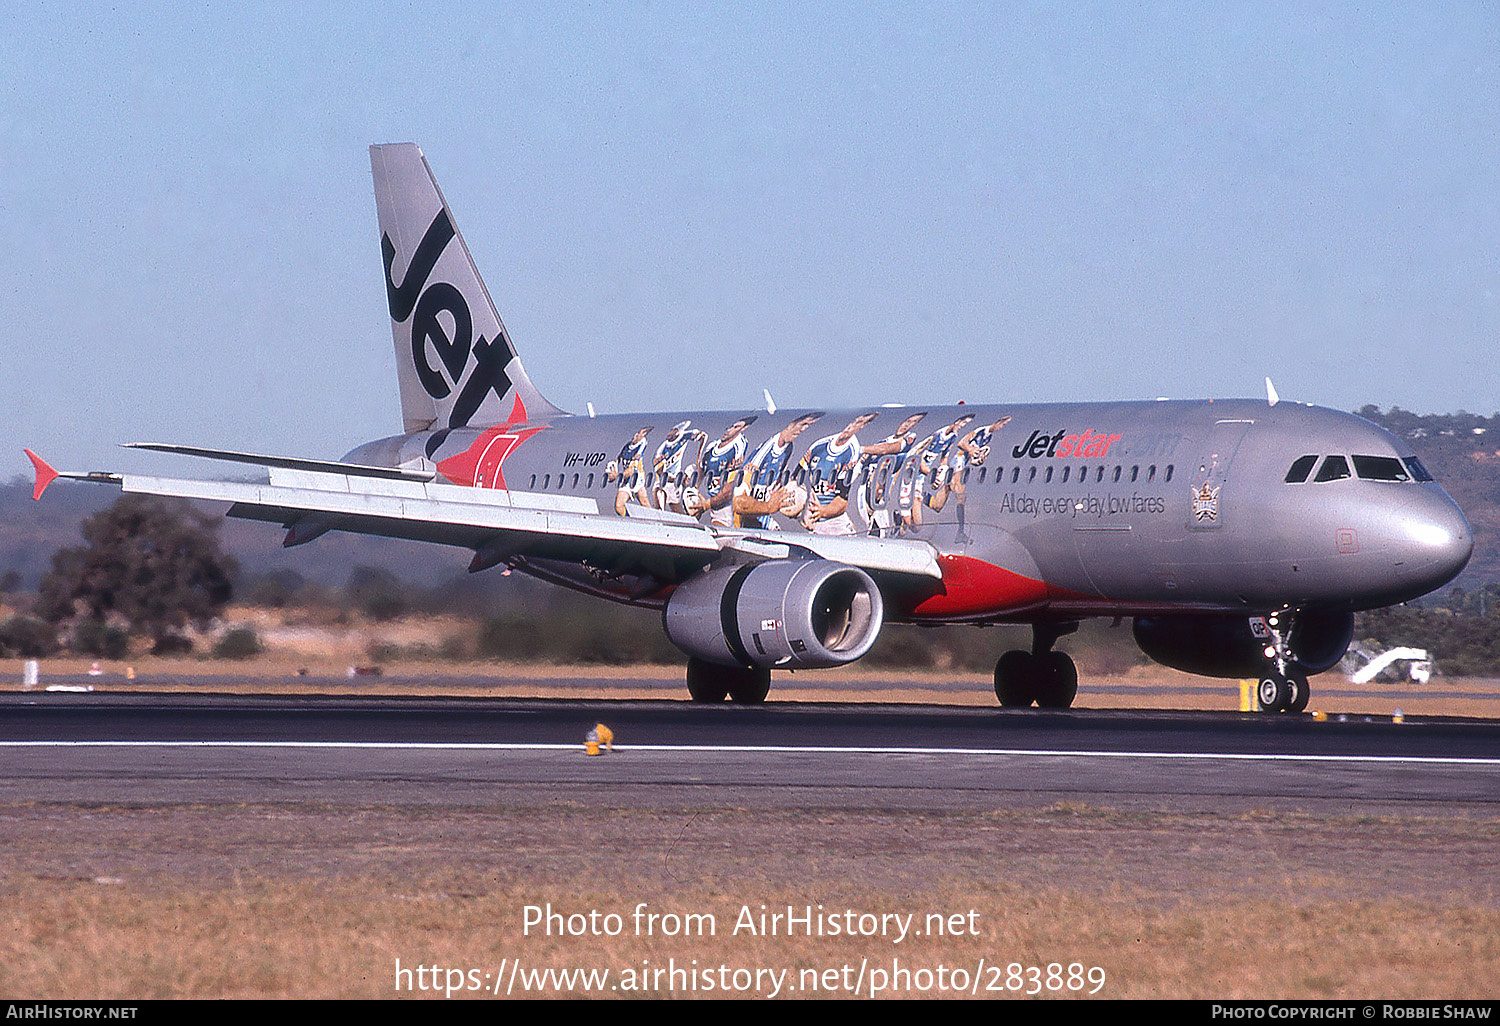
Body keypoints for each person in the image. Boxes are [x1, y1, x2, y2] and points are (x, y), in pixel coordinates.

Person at [732, 412, 824, 530]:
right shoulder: (764, 453)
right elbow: (738, 503)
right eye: (803, 424)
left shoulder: (788, 449)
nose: (803, 429)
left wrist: (798, 510)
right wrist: (769, 507)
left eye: (808, 425)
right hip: (741, 524)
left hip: (761, 515)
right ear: (790, 425)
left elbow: (777, 489)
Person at [686, 415, 756, 527]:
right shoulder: (712, 446)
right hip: (715, 508)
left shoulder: (738, 445)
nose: (729, 430)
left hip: (728, 509)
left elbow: (730, 488)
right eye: (730, 427)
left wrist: (706, 504)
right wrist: (695, 489)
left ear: (743, 429)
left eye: (736, 427)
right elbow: (702, 468)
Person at [607, 425, 653, 516]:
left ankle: (655, 523)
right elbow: (619, 459)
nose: (635, 436)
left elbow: (630, 471)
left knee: (646, 506)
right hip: (626, 481)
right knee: (618, 506)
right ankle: (631, 520)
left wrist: (617, 476)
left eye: (638, 435)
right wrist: (614, 468)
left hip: (637, 479)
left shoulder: (639, 450)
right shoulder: (627, 447)